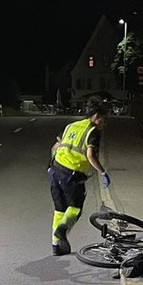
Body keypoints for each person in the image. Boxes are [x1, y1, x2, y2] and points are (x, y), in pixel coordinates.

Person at [48, 97, 111, 255]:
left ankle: (56, 246)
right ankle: (62, 231)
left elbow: (55, 147)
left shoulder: (72, 125)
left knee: (60, 210)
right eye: (103, 120)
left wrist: (51, 166)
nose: (105, 124)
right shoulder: (92, 131)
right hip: (71, 174)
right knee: (75, 207)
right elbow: (90, 155)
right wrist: (102, 172)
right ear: (96, 116)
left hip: (55, 170)